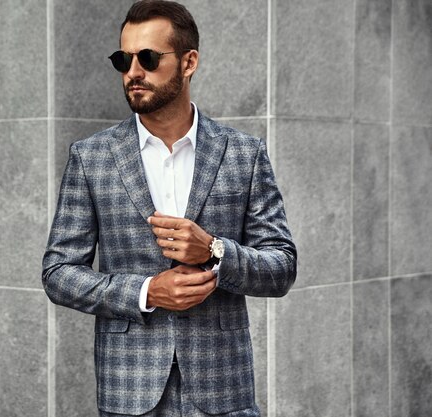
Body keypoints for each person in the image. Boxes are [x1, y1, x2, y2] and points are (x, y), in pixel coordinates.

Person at [42, 1, 296, 415]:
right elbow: (58, 274)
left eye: (148, 58)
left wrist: (215, 250)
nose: (133, 72)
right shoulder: (92, 157)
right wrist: (146, 292)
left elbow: (282, 267)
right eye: (123, 59)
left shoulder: (243, 154)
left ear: (189, 61)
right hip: (129, 389)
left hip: (222, 391)